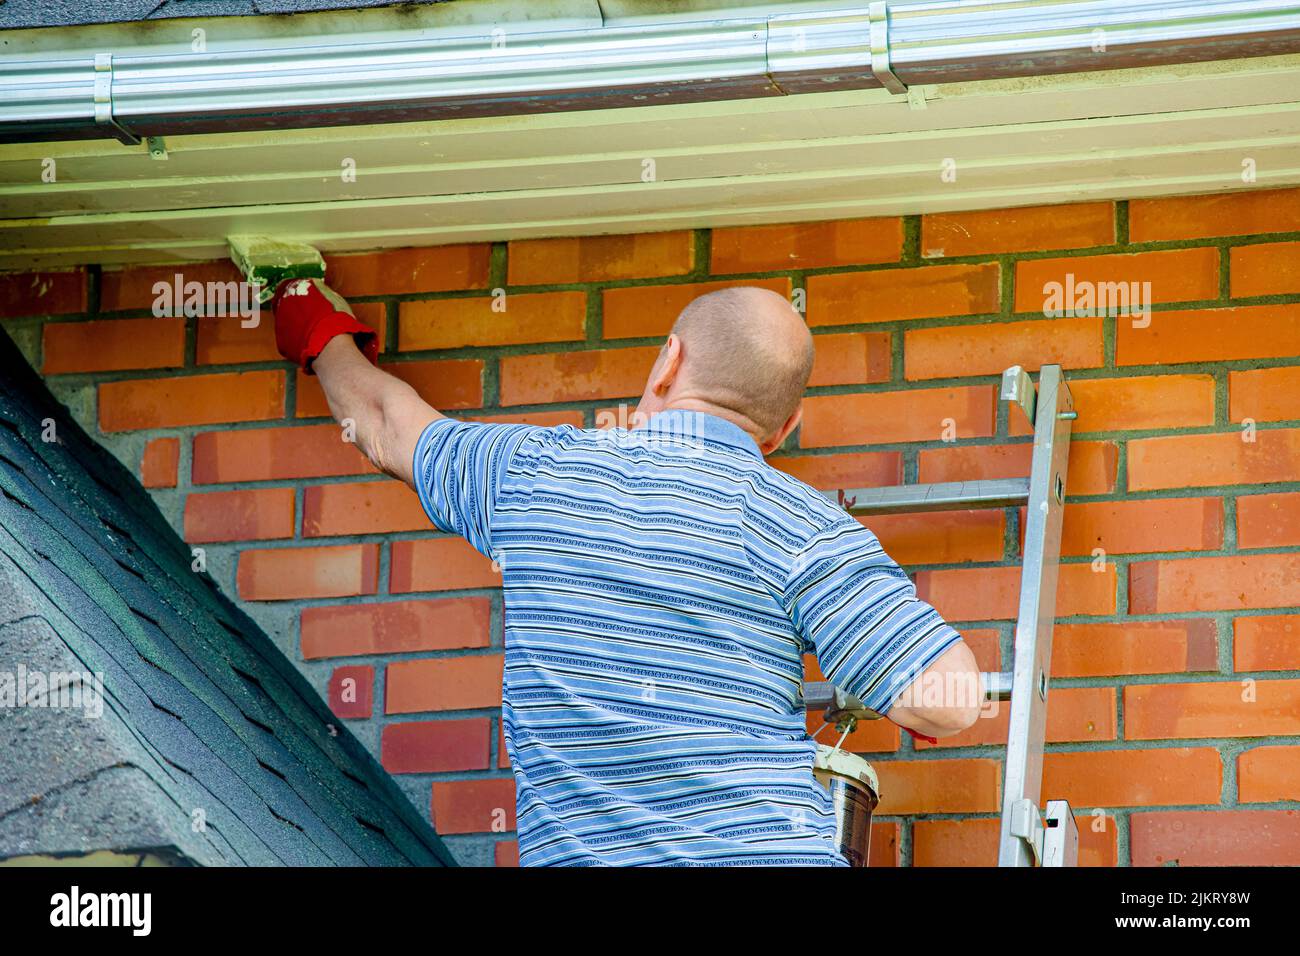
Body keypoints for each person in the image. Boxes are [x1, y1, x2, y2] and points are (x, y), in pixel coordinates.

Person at [271, 277, 982, 865]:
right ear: (782, 430)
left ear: (667, 362)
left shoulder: (532, 474)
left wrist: (315, 323)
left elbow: (384, 422)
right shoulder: (804, 527)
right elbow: (947, 702)